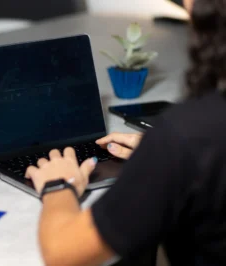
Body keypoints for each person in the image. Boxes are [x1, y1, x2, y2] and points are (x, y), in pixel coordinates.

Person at [25, 0, 226, 265]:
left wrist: (59, 184)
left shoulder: (185, 136)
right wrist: (160, 155)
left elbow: (62, 253)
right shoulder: (191, 138)